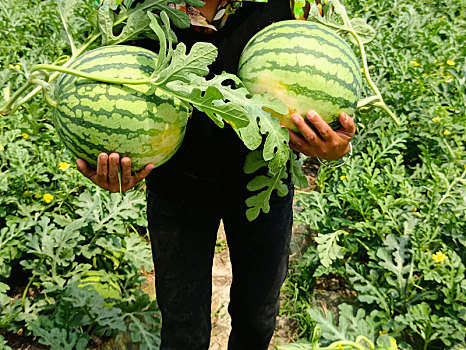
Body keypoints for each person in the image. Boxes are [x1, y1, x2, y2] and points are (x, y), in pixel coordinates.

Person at [76, 0, 356, 349]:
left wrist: (336, 146)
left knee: (258, 317)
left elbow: (330, 81)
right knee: (182, 329)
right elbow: (113, 93)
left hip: (263, 188)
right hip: (177, 190)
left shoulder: (300, 3)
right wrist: (119, 159)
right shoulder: (131, 6)